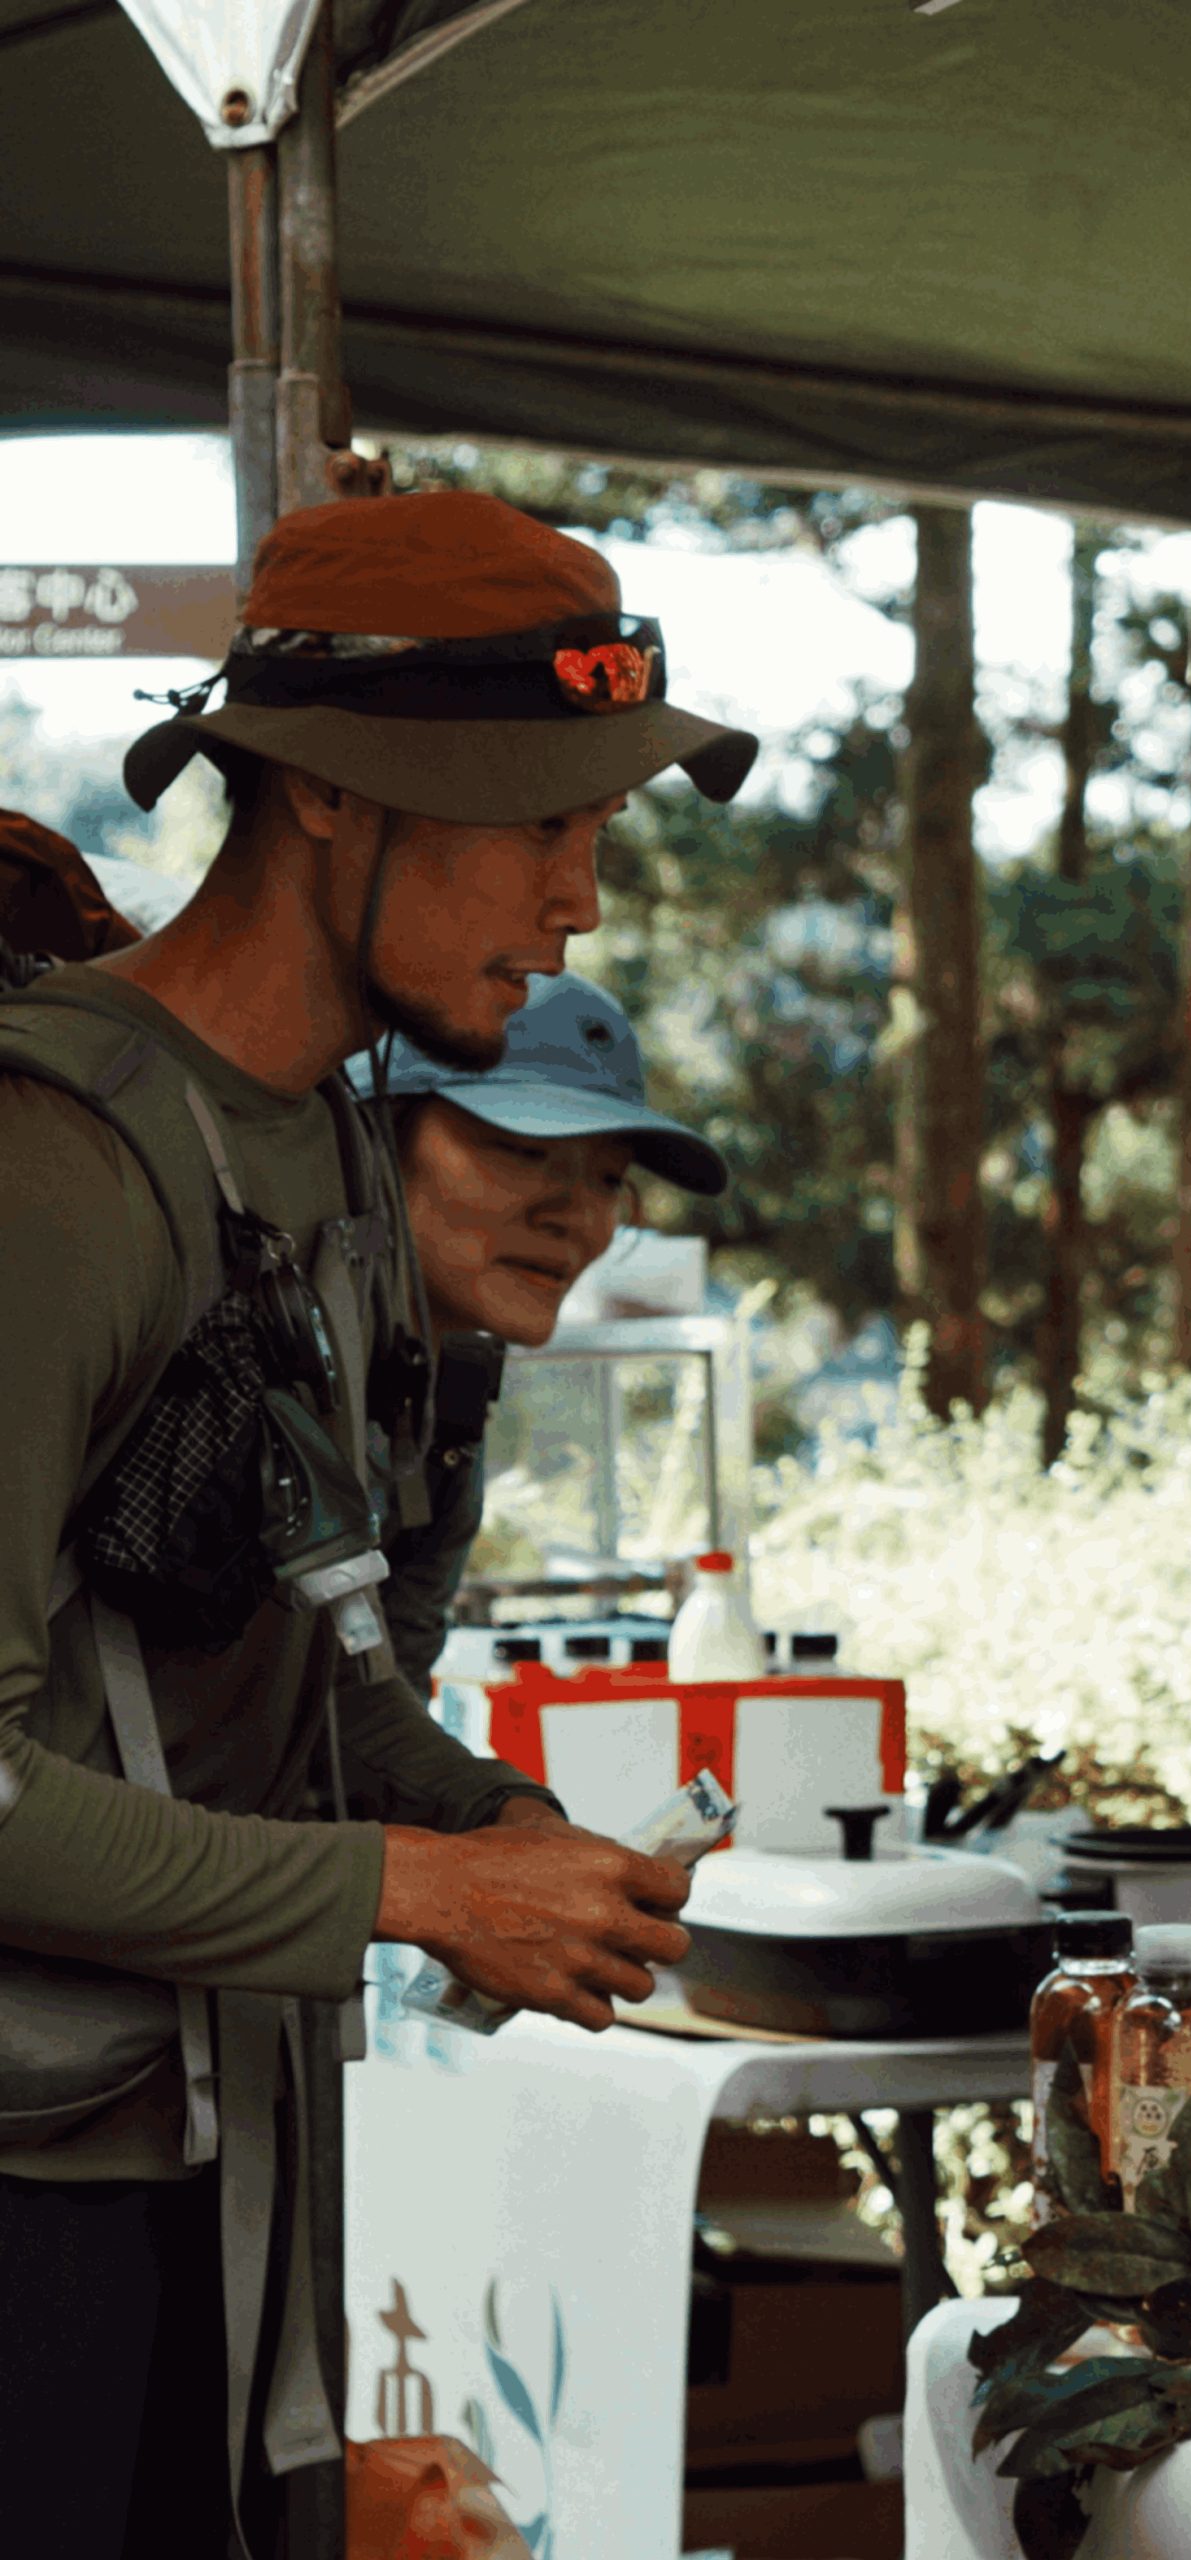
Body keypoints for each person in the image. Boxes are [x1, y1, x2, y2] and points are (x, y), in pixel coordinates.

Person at [0, 488, 758, 2554]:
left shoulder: (325, 1159)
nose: (581, 899)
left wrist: (501, 1831)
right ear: (335, 795)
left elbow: (305, 1680)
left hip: (215, 2157)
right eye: (542, 823)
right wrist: (414, 1881)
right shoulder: (56, 1162)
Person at [355, 970, 731, 1700]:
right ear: (374, 1135)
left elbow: (381, 1697)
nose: (574, 1217)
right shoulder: (264, 1359)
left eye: (606, 1179)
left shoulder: (451, 1389)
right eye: (522, 1150)